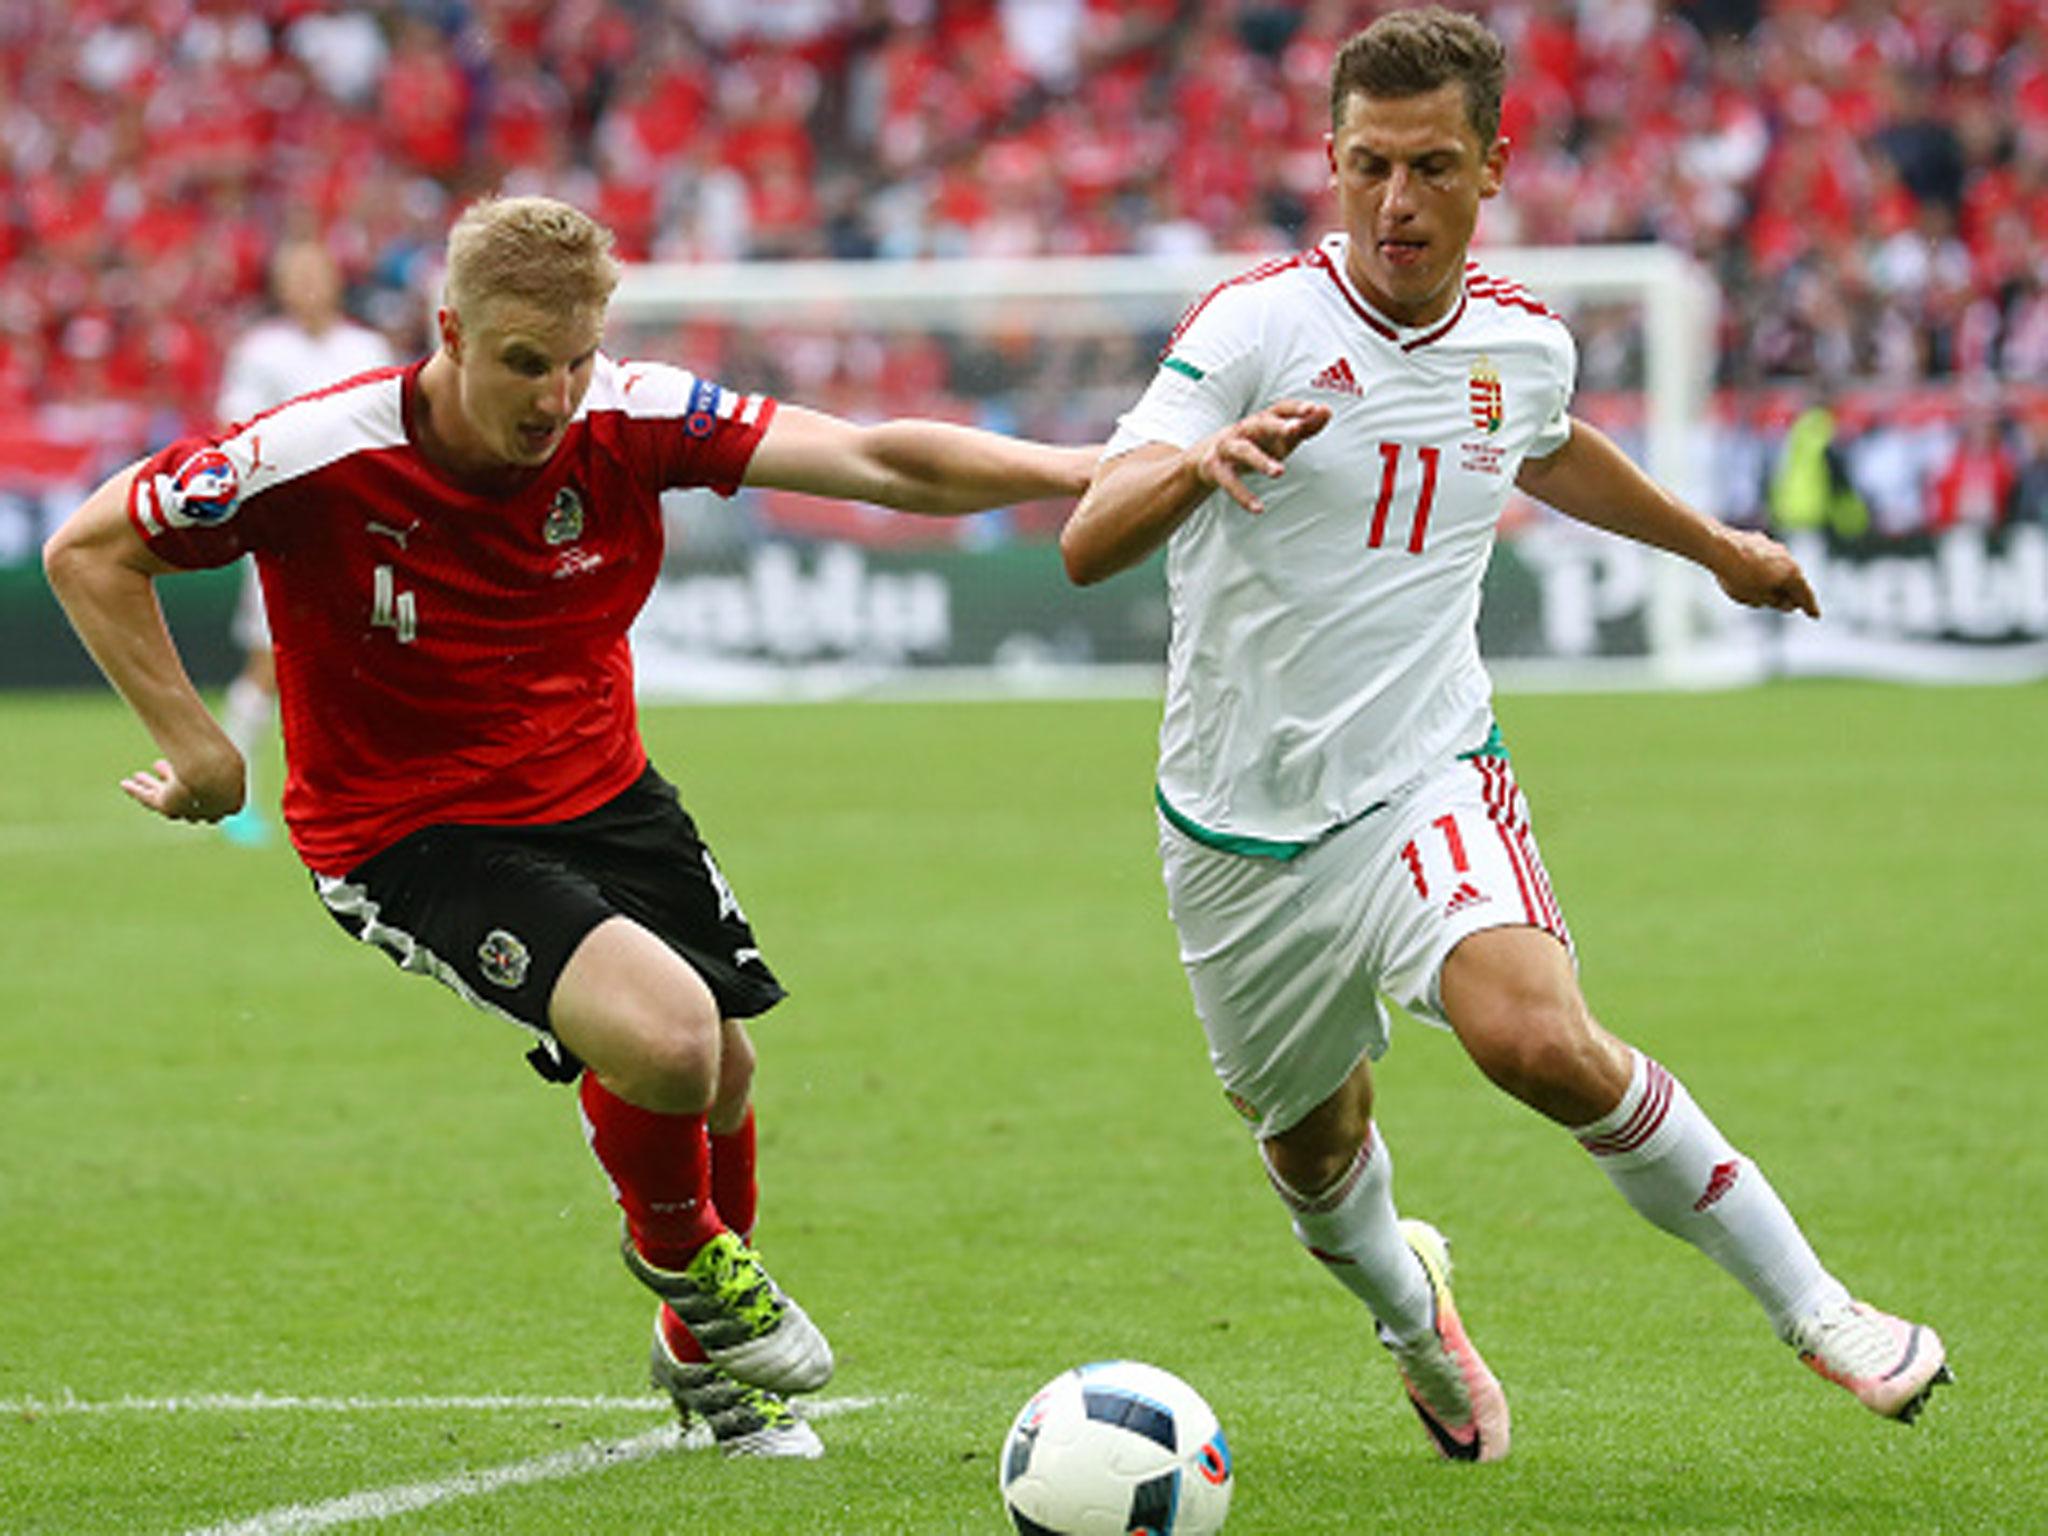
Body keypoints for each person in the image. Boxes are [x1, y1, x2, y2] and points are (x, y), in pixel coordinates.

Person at [44, 194, 1096, 1460]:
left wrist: (1092, 469)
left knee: (722, 1074)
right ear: (449, 331)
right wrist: (201, 749)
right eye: (522, 364)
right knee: (667, 1037)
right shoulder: (313, 455)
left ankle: (702, 1366)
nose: (553, 397)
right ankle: (687, 1263)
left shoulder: (630, 417)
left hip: (603, 792)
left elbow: (878, 461)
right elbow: (90, 548)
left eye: (576, 361)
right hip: (408, 831)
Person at [1059, 7, 1948, 1464]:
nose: (1396, 201)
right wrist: (1193, 468)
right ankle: (1418, 1323)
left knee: (1535, 1039)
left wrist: (1716, 545)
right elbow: (1090, 541)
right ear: (1330, 165)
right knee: (1313, 1148)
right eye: (1367, 167)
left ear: (1492, 166)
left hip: (1426, 773)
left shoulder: (1524, 340)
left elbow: (1547, 441)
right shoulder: (1250, 327)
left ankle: (1822, 1309)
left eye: (1429, 167)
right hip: (1234, 827)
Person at [212, 238, 396, 846]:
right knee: (271, 663)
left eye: (318, 273)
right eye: (298, 274)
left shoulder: (365, 347)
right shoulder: (262, 352)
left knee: (373, 660)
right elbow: (236, 434)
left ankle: (374, 791)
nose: (310, 286)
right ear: (282, 286)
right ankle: (234, 793)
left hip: (363, 530)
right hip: (288, 531)